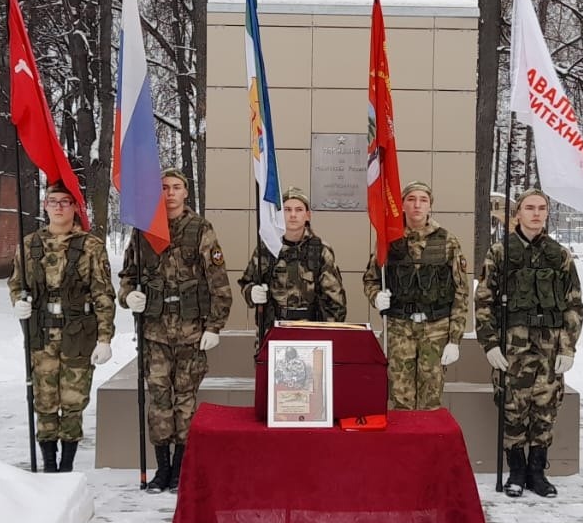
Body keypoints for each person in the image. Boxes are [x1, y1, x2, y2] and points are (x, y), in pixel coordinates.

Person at [117, 168, 233, 493]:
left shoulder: (200, 230)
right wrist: (130, 296)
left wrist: (215, 326)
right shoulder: (144, 231)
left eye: (176, 187)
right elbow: (127, 275)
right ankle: (162, 469)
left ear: (185, 193)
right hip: (154, 331)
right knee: (158, 400)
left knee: (185, 402)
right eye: (164, 187)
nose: (169, 193)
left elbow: (219, 284)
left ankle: (181, 469)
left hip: (191, 332)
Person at [475, 188, 583, 498]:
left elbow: (574, 304)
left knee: (545, 408)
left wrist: (567, 346)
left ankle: (537, 470)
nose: (536, 213)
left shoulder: (560, 255)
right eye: (529, 208)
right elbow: (483, 301)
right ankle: (517, 470)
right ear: (518, 213)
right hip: (513, 346)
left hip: (549, 347)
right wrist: (490, 343)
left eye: (541, 208)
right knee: (512, 406)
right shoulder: (501, 253)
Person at [9, 181, 115, 474]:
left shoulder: (90, 246)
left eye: (65, 202)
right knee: (43, 401)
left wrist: (105, 337)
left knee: (72, 401)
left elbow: (103, 293)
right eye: (52, 201)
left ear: (74, 207)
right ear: (45, 206)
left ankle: (66, 466)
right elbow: (17, 283)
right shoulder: (29, 244)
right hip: (41, 334)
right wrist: (19, 300)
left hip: (77, 334)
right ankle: (49, 464)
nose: (58, 206)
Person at [363, 180, 469, 410]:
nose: (417, 206)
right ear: (401, 205)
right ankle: (403, 446)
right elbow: (371, 278)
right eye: (411, 200)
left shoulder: (448, 241)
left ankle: (426, 445)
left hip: (436, 329)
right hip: (400, 328)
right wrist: (376, 297)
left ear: (430, 206)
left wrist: (454, 339)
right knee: (400, 398)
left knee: (431, 399)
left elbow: (461, 293)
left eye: (423, 200)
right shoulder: (389, 240)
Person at [239, 186, 347, 348]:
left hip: (311, 331)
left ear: (308, 215)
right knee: (269, 373)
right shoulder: (267, 248)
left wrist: (328, 335)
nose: (293, 215)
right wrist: (252, 293)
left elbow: (335, 300)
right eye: (287, 210)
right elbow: (247, 282)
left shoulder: (320, 250)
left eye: (299, 209)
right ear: (279, 215)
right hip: (274, 330)